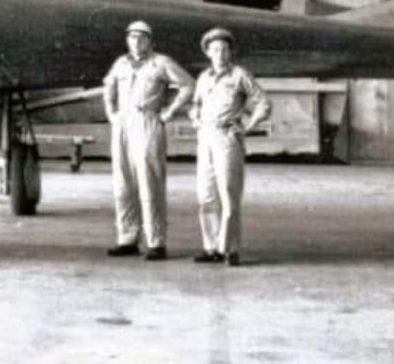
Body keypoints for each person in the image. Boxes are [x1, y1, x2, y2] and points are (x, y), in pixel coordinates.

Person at [103, 20, 194, 261]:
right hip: (123, 123)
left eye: (142, 38)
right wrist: (111, 113)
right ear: (127, 40)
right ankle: (127, 238)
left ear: (150, 41)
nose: (137, 42)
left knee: (149, 181)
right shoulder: (121, 64)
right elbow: (108, 86)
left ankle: (156, 242)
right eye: (132, 37)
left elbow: (187, 85)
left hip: (147, 121)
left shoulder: (161, 63)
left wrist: (169, 112)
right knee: (123, 183)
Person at [189, 27, 271, 267]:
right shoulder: (203, 78)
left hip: (227, 138)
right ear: (208, 53)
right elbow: (195, 104)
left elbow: (263, 102)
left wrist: (247, 126)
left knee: (228, 192)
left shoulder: (239, 75)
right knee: (205, 195)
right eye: (215, 50)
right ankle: (211, 247)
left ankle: (230, 249)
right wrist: (195, 117)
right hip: (205, 137)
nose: (220, 54)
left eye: (224, 49)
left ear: (230, 52)